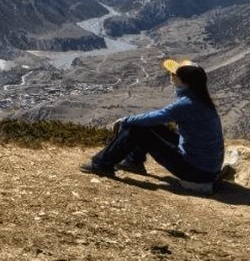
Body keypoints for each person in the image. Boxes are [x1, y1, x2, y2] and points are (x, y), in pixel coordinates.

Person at [80, 59, 225, 194]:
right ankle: (133, 162)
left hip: (195, 172)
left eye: (173, 74)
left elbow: (159, 116)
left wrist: (126, 120)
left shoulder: (187, 103)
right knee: (148, 126)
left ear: (181, 80)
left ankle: (102, 164)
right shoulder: (201, 99)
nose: (170, 75)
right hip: (206, 169)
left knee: (136, 128)